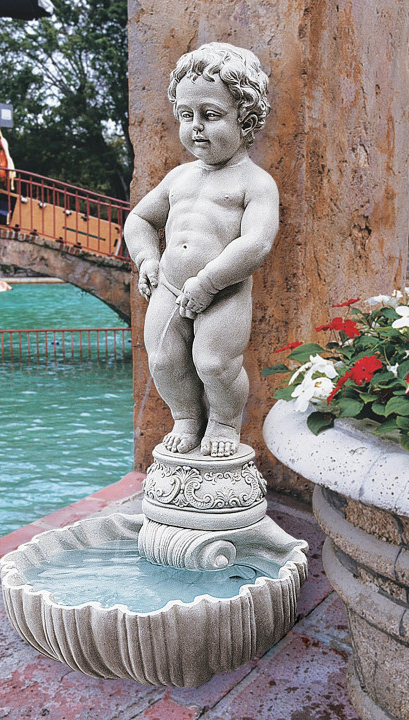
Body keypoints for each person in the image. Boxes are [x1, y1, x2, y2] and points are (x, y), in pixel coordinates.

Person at [124, 42, 279, 458]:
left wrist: (209, 282)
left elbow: (257, 242)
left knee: (214, 363)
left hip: (223, 290)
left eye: (210, 116)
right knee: (163, 359)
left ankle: (225, 424)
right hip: (170, 286)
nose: (196, 127)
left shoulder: (255, 183)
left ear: (246, 120)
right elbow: (139, 220)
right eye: (187, 115)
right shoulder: (178, 177)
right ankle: (186, 417)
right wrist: (147, 259)